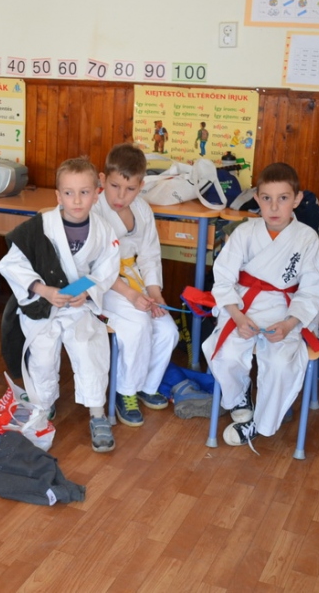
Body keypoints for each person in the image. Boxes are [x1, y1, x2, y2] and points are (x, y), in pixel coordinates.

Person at [201, 162, 319, 449]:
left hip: (285, 310)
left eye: (283, 198)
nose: (274, 207)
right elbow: (223, 279)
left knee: (281, 364)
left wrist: (289, 324)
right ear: (256, 198)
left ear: (296, 199)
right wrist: (237, 316)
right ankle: (240, 397)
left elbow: (312, 290)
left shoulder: (306, 238)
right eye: (267, 198)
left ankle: (261, 423)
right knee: (226, 354)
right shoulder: (245, 232)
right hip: (244, 305)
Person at [0, 157, 120, 453]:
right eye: (68, 193)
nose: (76, 200)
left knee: (89, 348)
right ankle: (43, 405)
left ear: (96, 193)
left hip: (78, 303)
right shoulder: (39, 227)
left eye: (84, 192)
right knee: (41, 354)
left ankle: (98, 414)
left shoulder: (104, 230)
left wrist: (84, 292)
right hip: (43, 302)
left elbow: (106, 269)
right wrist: (43, 290)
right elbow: (12, 264)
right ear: (58, 195)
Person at [93, 143, 179, 427]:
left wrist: (155, 292)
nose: (121, 196)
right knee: (139, 324)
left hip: (133, 279)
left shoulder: (142, 209)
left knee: (167, 330)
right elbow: (95, 266)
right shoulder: (93, 208)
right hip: (103, 286)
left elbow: (150, 255)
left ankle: (146, 385)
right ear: (103, 179)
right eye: (115, 186)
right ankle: (125, 391)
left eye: (130, 189)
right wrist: (131, 295)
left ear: (141, 186)